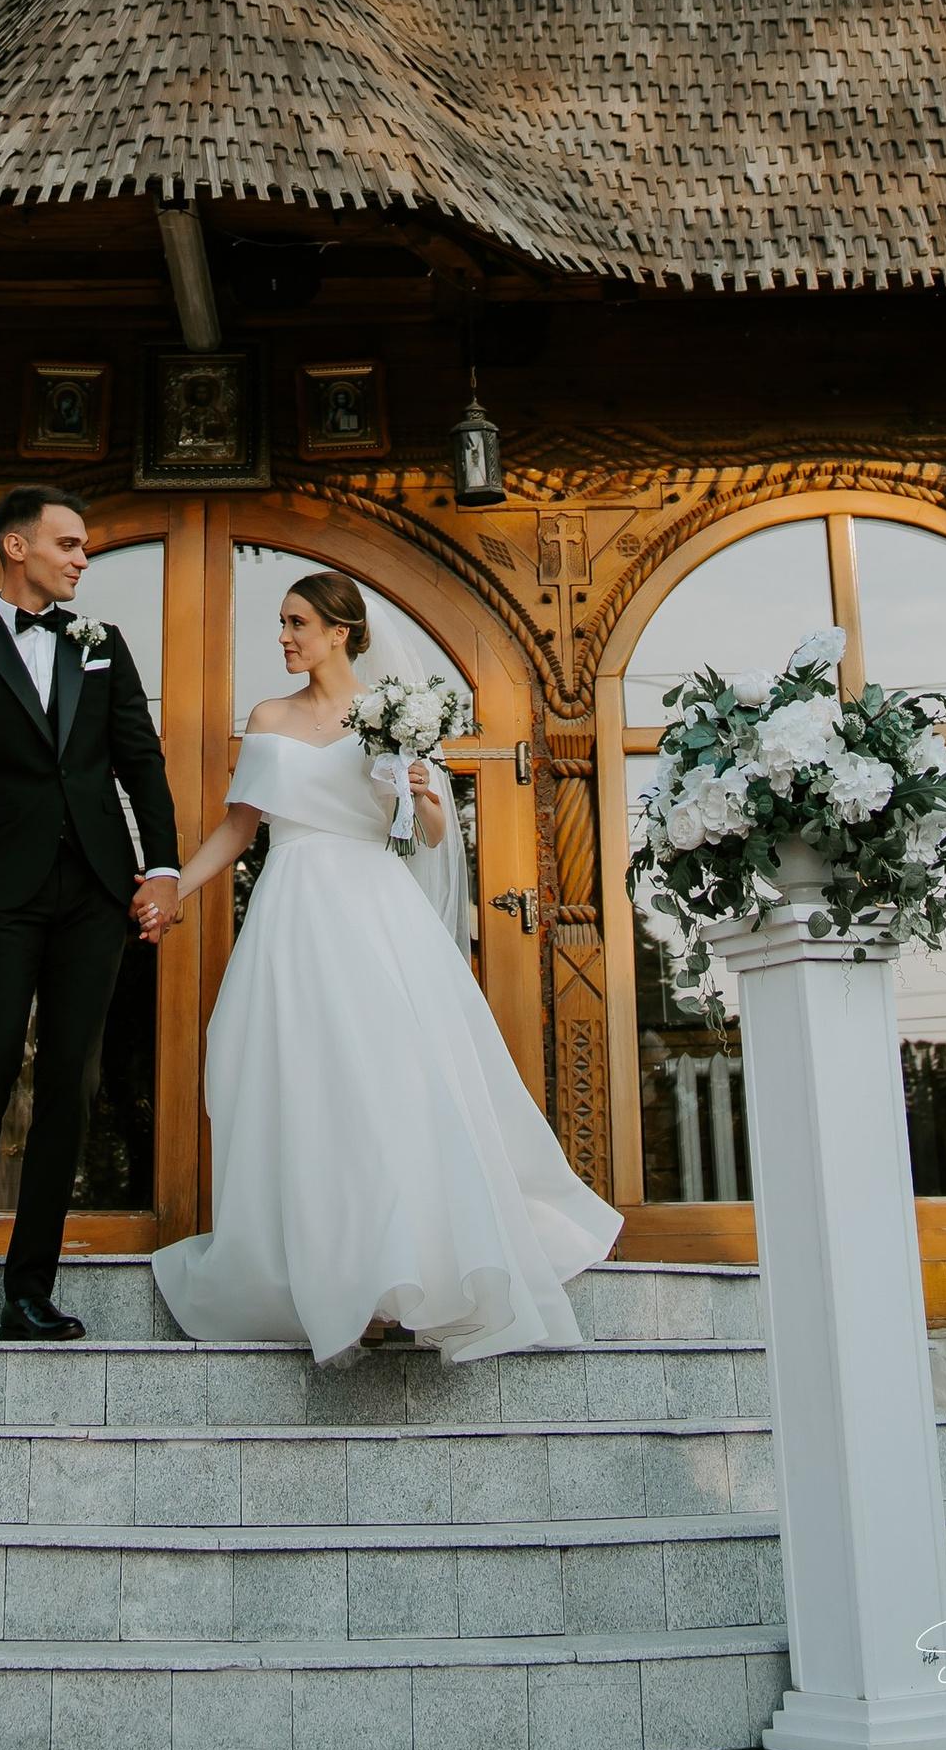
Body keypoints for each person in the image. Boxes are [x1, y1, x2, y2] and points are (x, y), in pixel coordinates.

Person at [150, 568, 619, 1362]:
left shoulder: (396, 715)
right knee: (300, 1083)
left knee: (389, 1084)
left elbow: (429, 837)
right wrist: (172, 890)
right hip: (292, 911)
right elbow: (238, 829)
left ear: (340, 632)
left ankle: (404, 1276)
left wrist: (425, 791)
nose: (284, 637)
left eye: (297, 623)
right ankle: (329, 1273)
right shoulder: (268, 716)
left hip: (374, 912)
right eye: (282, 623)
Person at [0, 488, 179, 1363]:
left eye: (85, 548)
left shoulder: (102, 645)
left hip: (96, 891)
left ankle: (30, 1289)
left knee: (74, 1079)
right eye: (68, 545)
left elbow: (140, 760)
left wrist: (164, 867)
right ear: (15, 547)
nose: (81, 560)